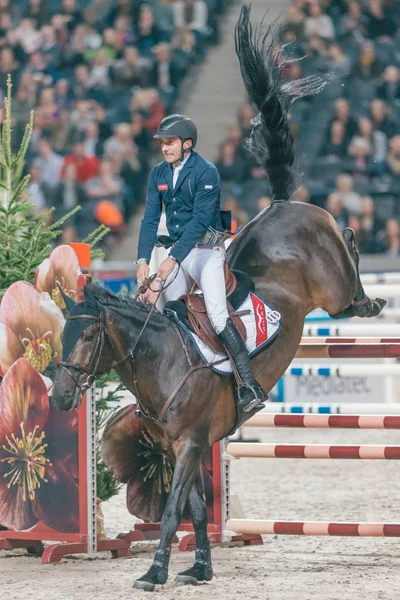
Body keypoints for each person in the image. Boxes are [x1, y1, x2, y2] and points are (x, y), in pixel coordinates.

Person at [136, 114, 267, 417]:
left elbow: (197, 223)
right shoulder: (158, 174)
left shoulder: (206, 172)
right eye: (162, 143)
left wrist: (171, 260)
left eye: (169, 142)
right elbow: (150, 219)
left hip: (205, 252)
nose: (164, 147)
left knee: (218, 316)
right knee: (165, 315)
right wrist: (142, 259)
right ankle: (161, 393)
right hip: (177, 252)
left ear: (187, 144)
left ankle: (248, 385)